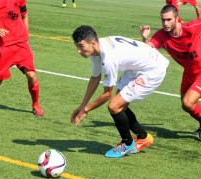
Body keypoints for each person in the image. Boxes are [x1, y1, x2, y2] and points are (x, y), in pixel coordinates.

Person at [71, 25, 169, 158]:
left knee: (114, 105)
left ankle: (127, 144)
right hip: (137, 66)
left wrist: (86, 110)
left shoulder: (108, 58)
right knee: (119, 104)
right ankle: (143, 138)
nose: (78, 50)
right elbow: (95, 78)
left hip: (152, 69)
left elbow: (107, 94)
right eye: (77, 46)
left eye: (81, 46)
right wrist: (82, 105)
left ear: (92, 43)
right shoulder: (97, 49)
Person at [140, 5, 201, 137]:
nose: (165, 23)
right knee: (186, 105)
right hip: (189, 72)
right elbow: (147, 51)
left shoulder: (191, 28)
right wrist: (145, 38)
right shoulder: (161, 35)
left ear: (177, 19)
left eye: (168, 20)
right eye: (163, 20)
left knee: (188, 102)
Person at [0, 0, 44, 116]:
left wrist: (25, 33)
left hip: (21, 44)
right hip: (2, 47)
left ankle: (36, 105)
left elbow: (24, 15)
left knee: (31, 75)